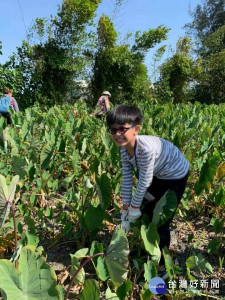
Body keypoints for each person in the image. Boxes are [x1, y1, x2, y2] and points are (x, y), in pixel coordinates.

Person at [106, 104, 189, 279]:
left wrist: (134, 209)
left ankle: (163, 267)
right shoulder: (124, 150)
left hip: (175, 176)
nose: (117, 134)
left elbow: (144, 181)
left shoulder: (145, 149)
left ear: (136, 129)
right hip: (158, 175)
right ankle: (149, 249)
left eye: (122, 129)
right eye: (113, 130)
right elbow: (128, 179)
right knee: (147, 208)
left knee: (161, 218)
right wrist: (126, 207)